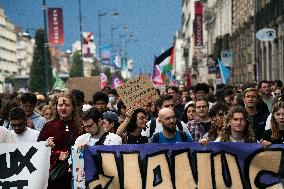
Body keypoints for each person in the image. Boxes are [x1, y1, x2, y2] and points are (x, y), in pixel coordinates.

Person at [38, 92, 80, 189]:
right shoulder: (49, 126)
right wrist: (54, 152)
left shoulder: (80, 126)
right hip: (54, 176)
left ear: (73, 107)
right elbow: (39, 151)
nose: (63, 108)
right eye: (60, 105)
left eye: (67, 105)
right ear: (56, 107)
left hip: (76, 174)